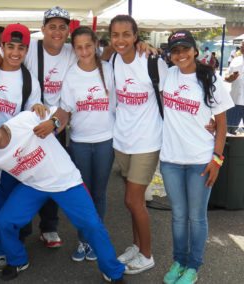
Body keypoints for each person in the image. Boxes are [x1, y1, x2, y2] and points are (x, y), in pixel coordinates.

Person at [0, 110, 126, 283]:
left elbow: (62, 114)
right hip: (34, 186)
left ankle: (113, 272)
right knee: (5, 221)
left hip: (65, 180)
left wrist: (53, 122)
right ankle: (18, 260)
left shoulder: (24, 119)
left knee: (92, 224)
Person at [0, 6, 76, 249]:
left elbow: (97, 59)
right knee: (21, 178)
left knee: (51, 174)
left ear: (68, 31)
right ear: (42, 29)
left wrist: (139, 46)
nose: (57, 31)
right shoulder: (30, 47)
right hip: (22, 128)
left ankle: (48, 226)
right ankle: (17, 230)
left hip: (56, 120)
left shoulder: (73, 51)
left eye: (62, 27)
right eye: (51, 26)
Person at [160, 30, 233, 284]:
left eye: (184, 49)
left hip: (201, 160)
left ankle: (193, 266)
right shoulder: (167, 74)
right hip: (170, 159)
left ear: (195, 50)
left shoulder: (210, 78)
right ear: (170, 55)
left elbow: (222, 124)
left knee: (196, 216)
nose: (180, 55)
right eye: (175, 51)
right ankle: (179, 261)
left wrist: (217, 159)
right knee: (178, 215)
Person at [0, 23, 45, 271]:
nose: (15, 52)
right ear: (1, 46)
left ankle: (3, 247)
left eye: (21, 48)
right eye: (10, 46)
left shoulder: (29, 80)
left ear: (26, 50)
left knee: (5, 203)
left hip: (11, 154)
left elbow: (33, 114)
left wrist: (38, 110)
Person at [108, 15, 168, 275]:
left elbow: (171, 96)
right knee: (133, 201)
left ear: (136, 36)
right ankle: (136, 245)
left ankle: (147, 254)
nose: (120, 40)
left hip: (147, 140)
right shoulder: (111, 59)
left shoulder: (153, 62)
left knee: (133, 200)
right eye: (115, 35)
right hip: (122, 140)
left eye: (126, 34)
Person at [60, 26, 116, 262]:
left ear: (96, 45)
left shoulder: (109, 69)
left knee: (99, 193)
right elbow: (66, 110)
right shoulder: (71, 74)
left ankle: (96, 240)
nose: (84, 51)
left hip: (106, 141)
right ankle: (83, 240)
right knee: (83, 195)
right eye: (79, 47)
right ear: (74, 49)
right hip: (80, 143)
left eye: (88, 46)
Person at [225, 40, 244, 134]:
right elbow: (226, 77)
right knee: (229, 131)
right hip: (234, 102)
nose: (242, 46)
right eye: (242, 45)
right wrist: (230, 78)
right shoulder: (236, 60)